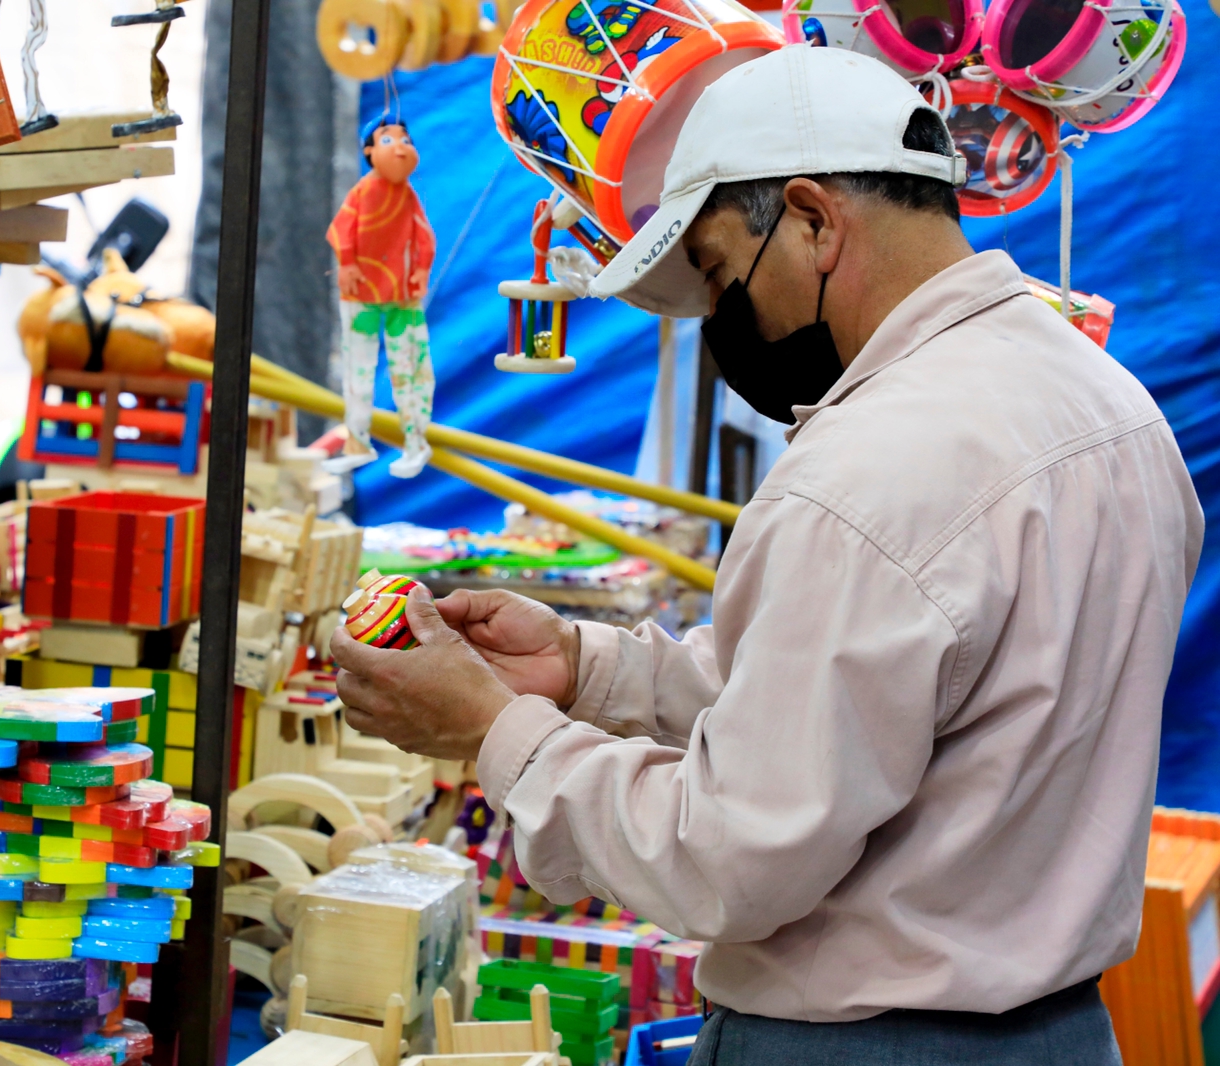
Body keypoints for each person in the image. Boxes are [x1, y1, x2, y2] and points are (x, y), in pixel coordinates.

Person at [331, 46, 1203, 1064]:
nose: (720, 322)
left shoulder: (870, 470)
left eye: (712, 272)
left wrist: (494, 729)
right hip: (1055, 1032)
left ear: (811, 221)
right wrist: (585, 667)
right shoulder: (1104, 401)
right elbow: (875, 701)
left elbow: (725, 857)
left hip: (868, 1043)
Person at [325, 115, 437, 479]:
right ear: (370, 152)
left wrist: (421, 270)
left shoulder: (408, 197)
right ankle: (357, 443)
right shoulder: (362, 191)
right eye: (388, 140)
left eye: (405, 139)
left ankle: (416, 442)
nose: (401, 147)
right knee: (358, 370)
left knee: (412, 369)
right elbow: (341, 230)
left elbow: (425, 238)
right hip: (360, 296)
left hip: (403, 296)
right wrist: (347, 262)